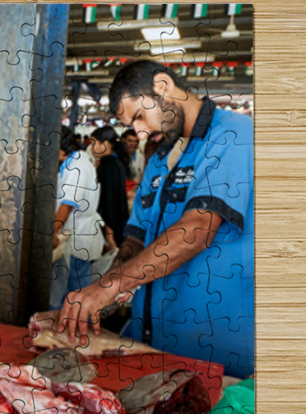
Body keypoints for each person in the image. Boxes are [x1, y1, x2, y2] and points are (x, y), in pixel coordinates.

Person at [56, 59, 254, 378]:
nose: (141, 131)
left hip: (217, 355)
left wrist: (110, 284)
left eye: (139, 116)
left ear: (162, 86)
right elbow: (135, 237)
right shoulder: (159, 160)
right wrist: (106, 294)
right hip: (150, 347)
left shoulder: (233, 134)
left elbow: (198, 228)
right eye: (132, 125)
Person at [50, 134, 107, 309]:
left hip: (79, 232)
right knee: (72, 285)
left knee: (76, 288)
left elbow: (67, 204)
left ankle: (75, 327)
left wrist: (52, 232)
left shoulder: (78, 166)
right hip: (74, 230)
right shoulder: (70, 164)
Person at [90, 125, 129, 251]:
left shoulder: (107, 166)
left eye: (93, 143)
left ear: (105, 144)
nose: (91, 148)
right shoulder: (116, 163)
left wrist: (109, 235)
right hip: (120, 224)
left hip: (110, 227)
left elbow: (109, 202)